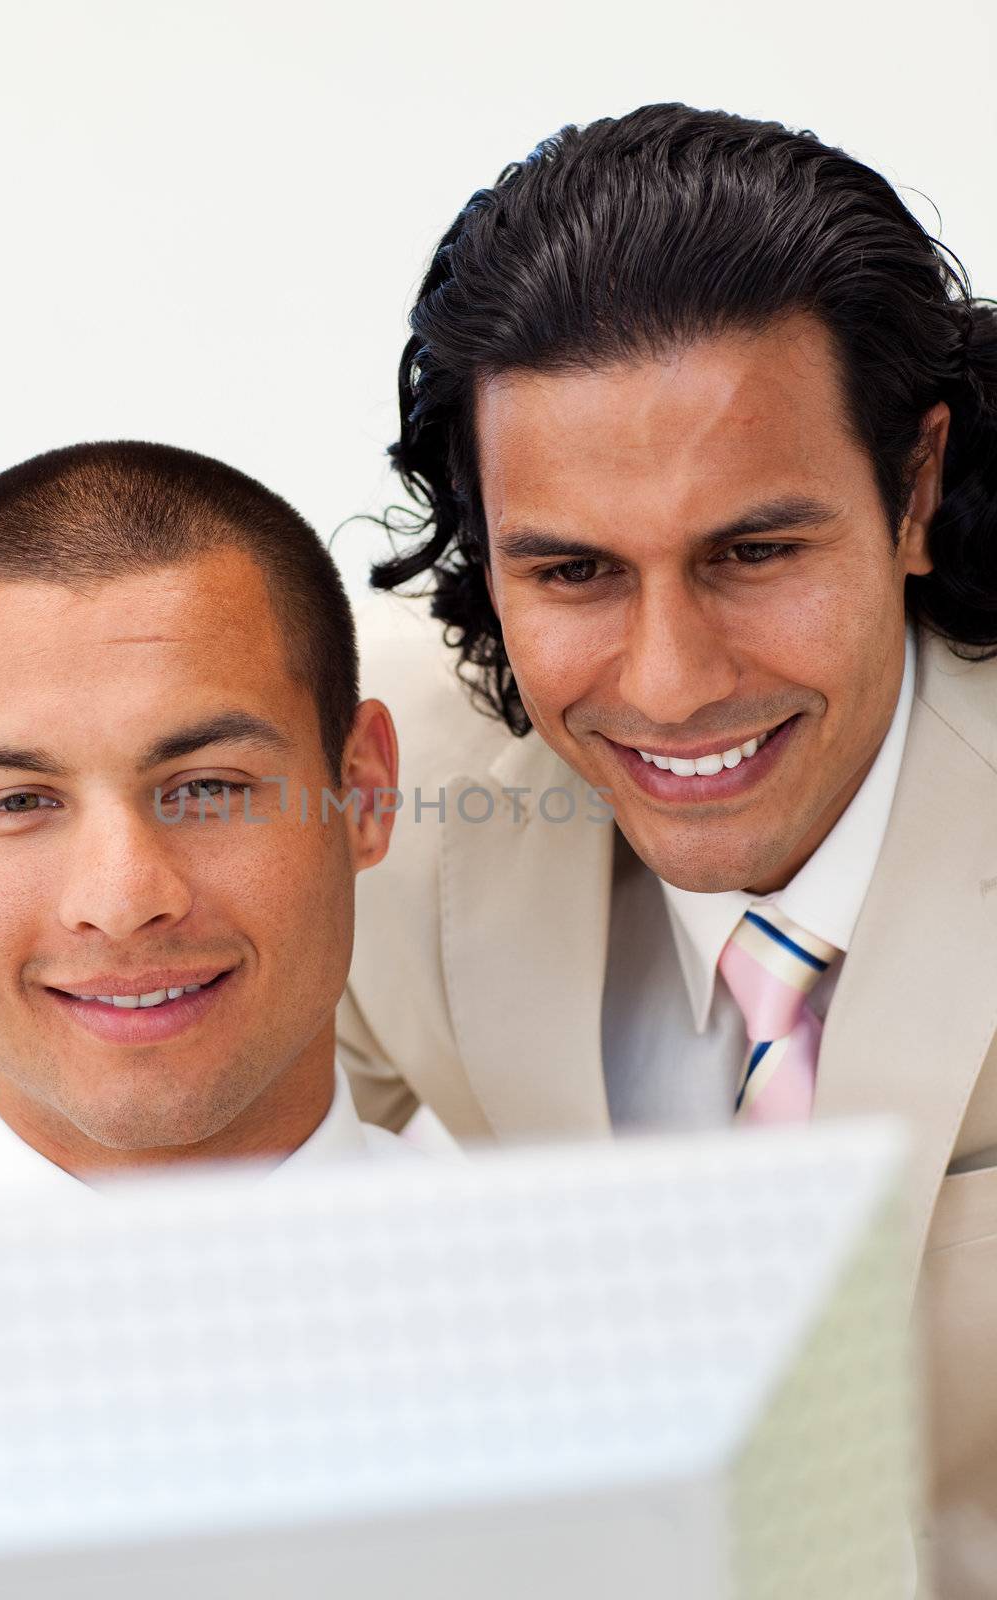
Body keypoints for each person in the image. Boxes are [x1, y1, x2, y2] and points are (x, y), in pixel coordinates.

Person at [338, 104, 997, 1553]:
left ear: (915, 488)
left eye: (754, 553)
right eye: (572, 571)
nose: (671, 684)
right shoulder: (378, 788)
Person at [0, 439, 407, 1219]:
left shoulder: (569, 1286)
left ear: (364, 796)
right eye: (16, 802)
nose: (122, 900)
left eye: (207, 787)